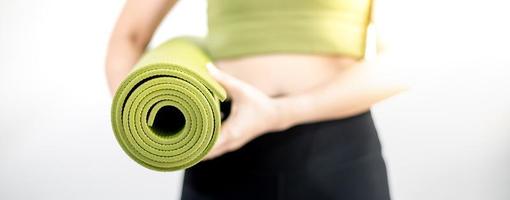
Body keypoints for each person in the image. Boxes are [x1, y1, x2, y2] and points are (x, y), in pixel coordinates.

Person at [106, 0, 408, 199]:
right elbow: (129, 37)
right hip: (223, 146)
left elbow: (402, 63)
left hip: (338, 153)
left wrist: (281, 112)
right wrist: (141, 119)